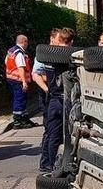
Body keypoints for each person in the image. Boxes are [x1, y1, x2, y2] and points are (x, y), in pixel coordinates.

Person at [39, 27, 75, 172]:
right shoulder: (72, 57)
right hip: (64, 100)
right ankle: (54, 165)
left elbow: (38, 74)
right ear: (71, 42)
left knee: (52, 134)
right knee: (62, 135)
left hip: (54, 99)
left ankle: (48, 164)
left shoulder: (48, 56)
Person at [33, 29, 60, 172]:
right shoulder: (44, 54)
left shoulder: (60, 54)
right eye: (59, 39)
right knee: (49, 130)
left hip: (55, 94)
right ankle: (45, 162)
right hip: (48, 95)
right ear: (52, 39)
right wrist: (48, 89)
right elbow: (36, 75)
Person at [5, 34, 37, 129]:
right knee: (20, 100)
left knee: (20, 99)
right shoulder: (19, 53)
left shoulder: (11, 51)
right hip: (18, 80)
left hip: (11, 79)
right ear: (24, 42)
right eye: (26, 42)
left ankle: (24, 118)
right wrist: (24, 81)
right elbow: (20, 68)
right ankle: (18, 121)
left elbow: (6, 62)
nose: (27, 44)